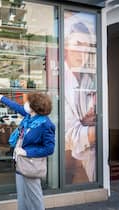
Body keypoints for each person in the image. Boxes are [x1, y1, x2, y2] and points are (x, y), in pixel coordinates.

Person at [0, 89, 55, 210]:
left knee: (35, 198)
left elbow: (49, 149)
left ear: (34, 106)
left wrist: (26, 152)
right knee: (22, 197)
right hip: (20, 163)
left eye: (28, 102)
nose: (25, 104)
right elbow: (16, 107)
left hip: (31, 164)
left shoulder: (45, 124)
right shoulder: (29, 117)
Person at [64, 21, 96, 184]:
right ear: (66, 46)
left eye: (87, 46)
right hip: (71, 166)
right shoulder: (60, 81)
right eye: (78, 44)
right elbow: (69, 137)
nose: (82, 52)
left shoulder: (88, 79)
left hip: (90, 166)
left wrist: (86, 122)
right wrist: (95, 130)